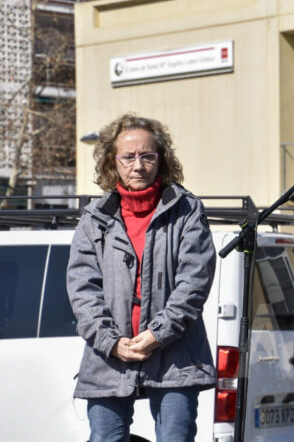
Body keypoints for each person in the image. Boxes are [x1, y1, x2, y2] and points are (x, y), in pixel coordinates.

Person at [67, 114, 216, 442]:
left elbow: (194, 281)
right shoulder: (95, 218)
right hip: (108, 359)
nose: (138, 165)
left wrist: (157, 334)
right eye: (129, 157)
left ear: (162, 159)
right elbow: (82, 289)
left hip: (175, 358)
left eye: (148, 156)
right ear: (113, 161)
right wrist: (111, 342)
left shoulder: (187, 209)